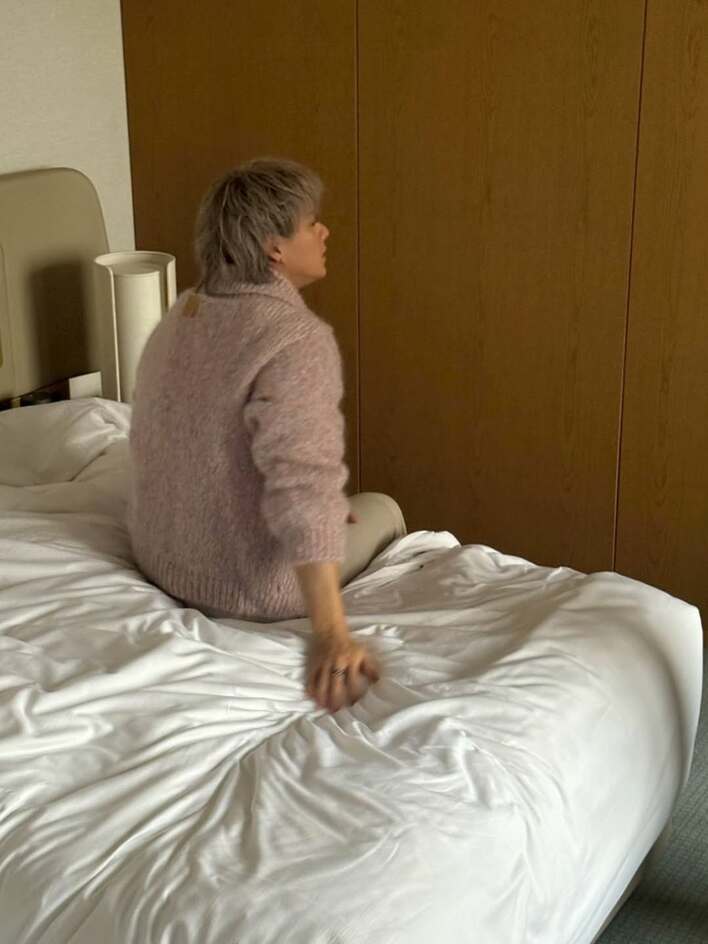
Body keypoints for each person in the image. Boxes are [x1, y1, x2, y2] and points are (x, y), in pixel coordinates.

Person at [128, 157, 406, 713]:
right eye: (311, 223)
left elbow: (194, 443)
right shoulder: (293, 339)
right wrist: (332, 634)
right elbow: (303, 484)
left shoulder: (183, 313)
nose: (325, 232)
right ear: (274, 247)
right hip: (242, 587)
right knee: (384, 508)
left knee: (336, 507)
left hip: (161, 557)